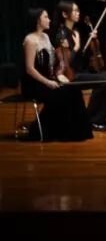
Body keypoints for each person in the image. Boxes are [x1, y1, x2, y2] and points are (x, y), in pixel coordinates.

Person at [21, 8, 92, 142]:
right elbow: (29, 69)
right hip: (34, 84)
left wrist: (60, 66)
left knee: (73, 89)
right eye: (46, 17)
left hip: (47, 80)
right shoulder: (30, 40)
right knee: (62, 93)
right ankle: (54, 131)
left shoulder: (45, 37)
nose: (49, 20)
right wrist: (48, 82)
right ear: (37, 20)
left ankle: (76, 132)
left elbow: (54, 60)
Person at [53, 0, 106, 130]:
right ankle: (92, 120)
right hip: (69, 76)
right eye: (74, 11)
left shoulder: (74, 31)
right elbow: (66, 63)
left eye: (78, 10)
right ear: (64, 14)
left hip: (79, 71)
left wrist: (92, 41)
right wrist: (76, 47)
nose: (78, 13)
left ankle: (101, 117)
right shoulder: (61, 35)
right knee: (103, 80)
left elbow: (81, 58)